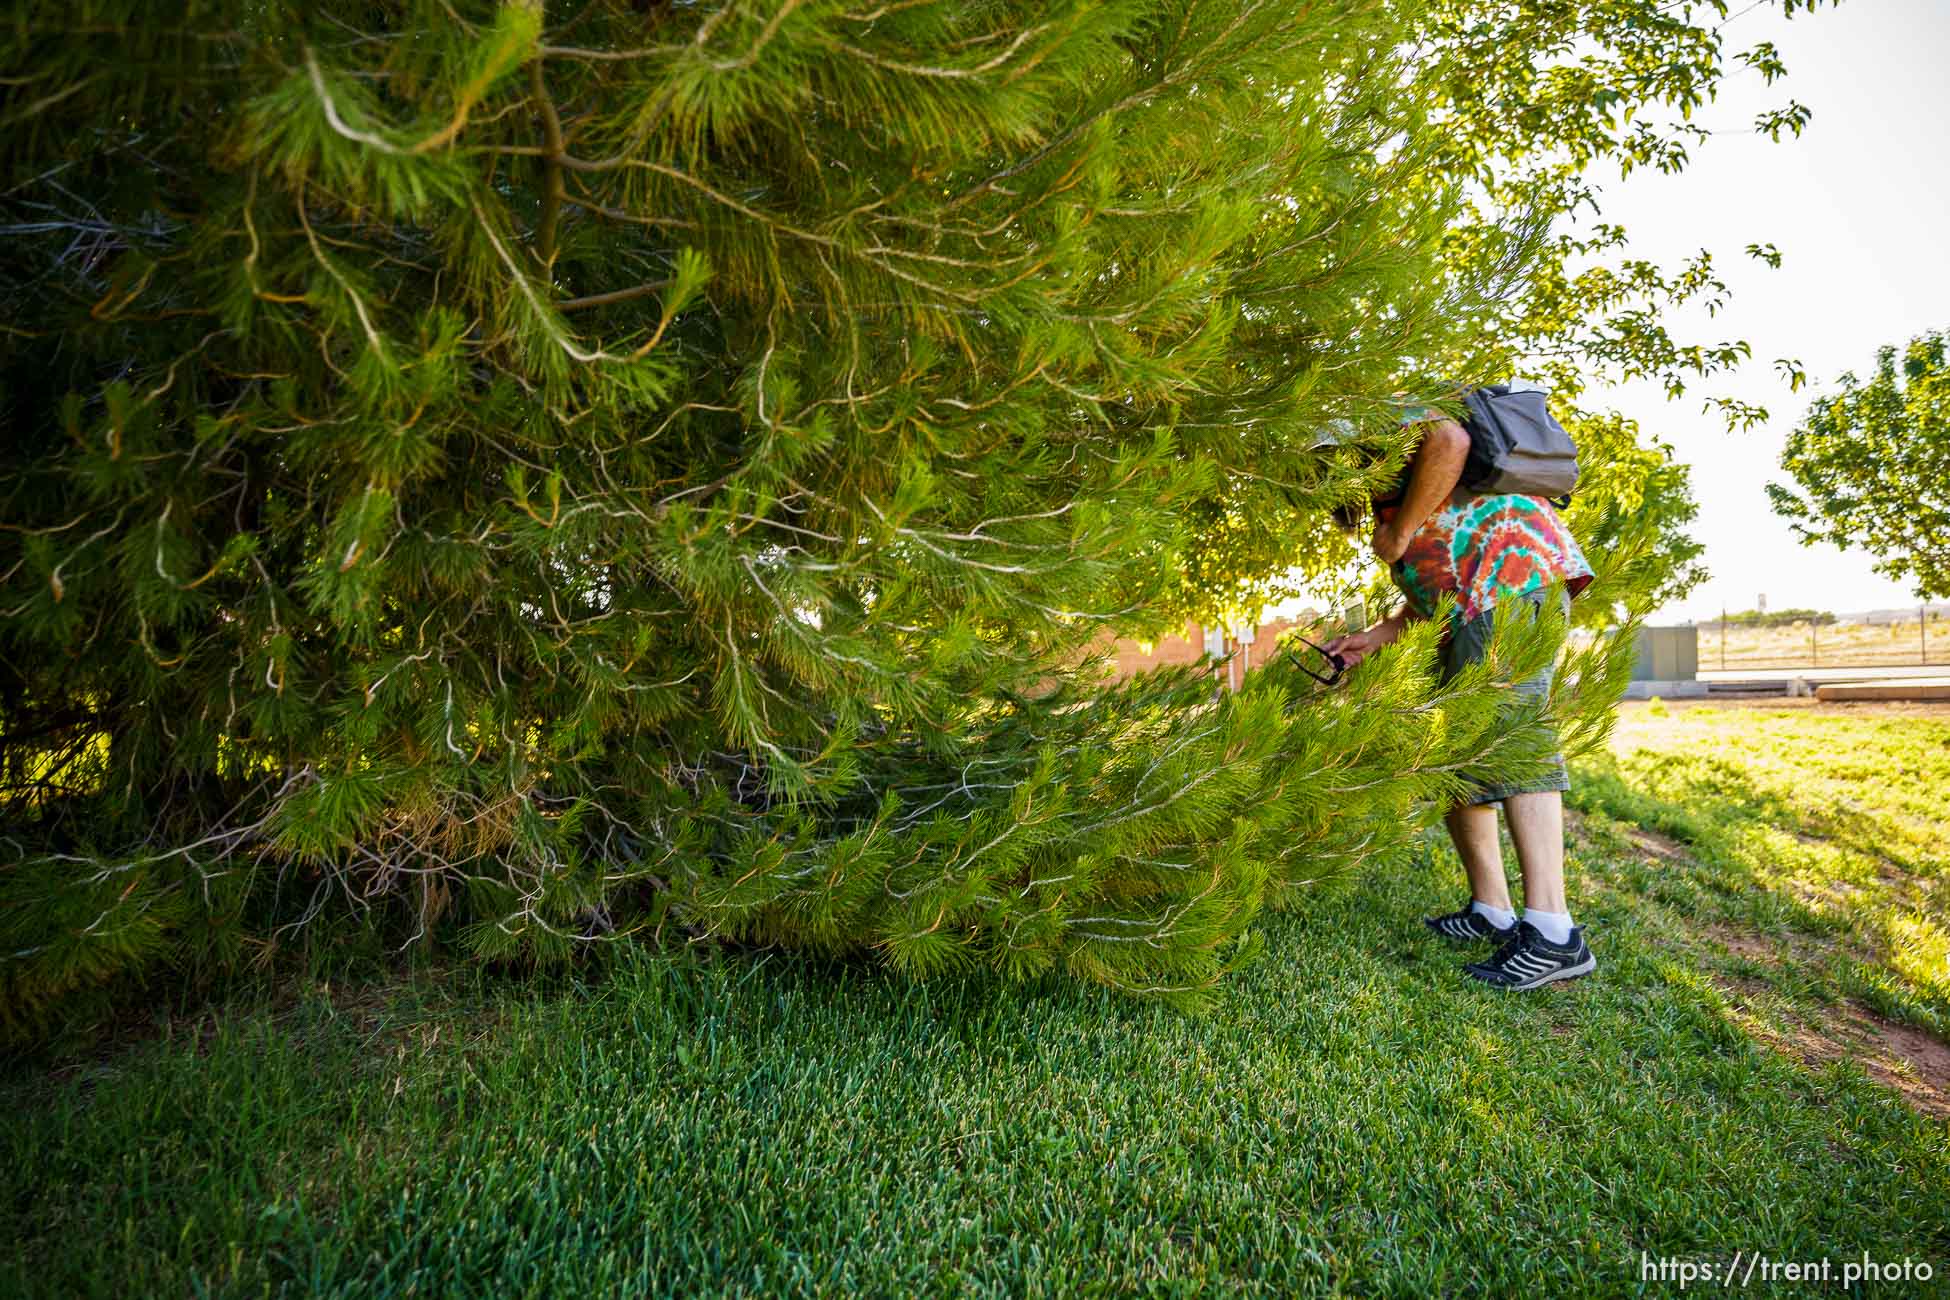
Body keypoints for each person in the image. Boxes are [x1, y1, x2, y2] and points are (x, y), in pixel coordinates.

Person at [1324, 402, 1597, 990]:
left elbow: (1449, 437)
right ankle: (1491, 909)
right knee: (1459, 755)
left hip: (1511, 581)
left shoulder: (1384, 424)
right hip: (1474, 600)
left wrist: (1396, 534)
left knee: (1512, 739)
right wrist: (1371, 638)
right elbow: (1438, 576)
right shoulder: (1399, 484)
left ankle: (1554, 932)